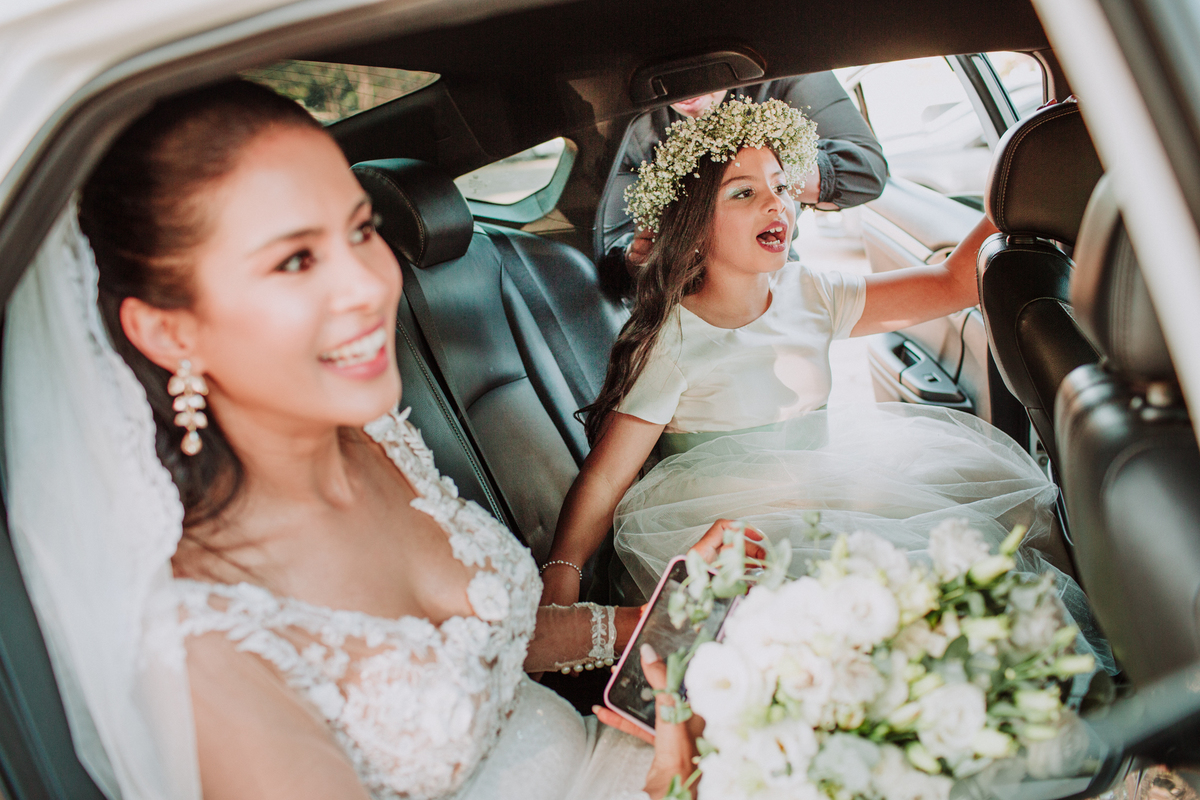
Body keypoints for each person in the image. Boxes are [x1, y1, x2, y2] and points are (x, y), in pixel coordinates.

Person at [4, 79, 764, 800]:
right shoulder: (203, 639)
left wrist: (662, 623)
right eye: (295, 259)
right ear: (168, 331)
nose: (370, 285)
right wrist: (670, 773)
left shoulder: (378, 442)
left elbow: (487, 639)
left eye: (360, 229)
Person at [540, 99, 1110, 672]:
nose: (775, 203)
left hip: (831, 498)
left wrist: (1024, 180)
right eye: (743, 193)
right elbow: (607, 475)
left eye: (781, 186)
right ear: (692, 228)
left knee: (968, 587)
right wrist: (559, 594)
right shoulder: (671, 340)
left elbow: (952, 282)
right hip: (735, 535)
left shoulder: (808, 291)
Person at [598, 74, 887, 283]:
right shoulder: (634, 125)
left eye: (779, 187)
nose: (774, 204)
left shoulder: (784, 70)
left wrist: (758, 161)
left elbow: (867, 172)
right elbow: (612, 250)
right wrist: (640, 260)